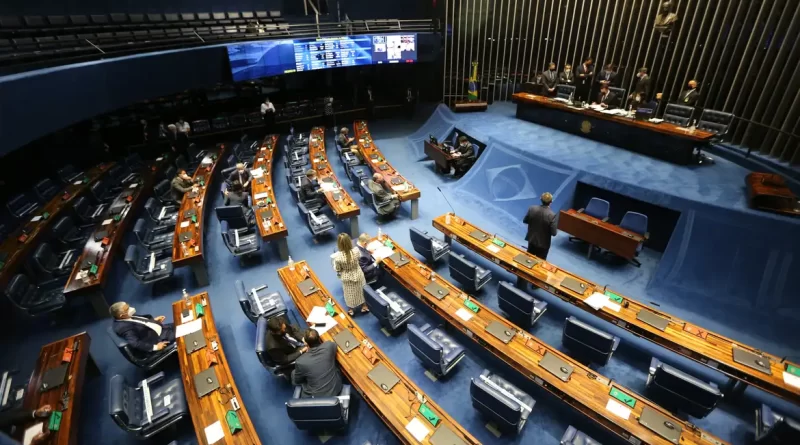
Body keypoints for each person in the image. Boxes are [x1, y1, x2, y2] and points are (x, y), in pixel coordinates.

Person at [291, 329, 343, 398]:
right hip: (336, 389)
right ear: (319, 338)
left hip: (318, 396)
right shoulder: (329, 346)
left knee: (294, 374)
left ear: (306, 343)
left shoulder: (300, 361)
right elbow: (333, 344)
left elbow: (298, 381)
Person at [110, 302, 175, 353]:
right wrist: (155, 347)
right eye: (127, 309)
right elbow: (135, 343)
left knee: (180, 321)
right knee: (181, 332)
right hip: (161, 337)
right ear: (121, 315)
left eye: (128, 307)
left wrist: (153, 321)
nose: (131, 309)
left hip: (162, 328)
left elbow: (140, 322)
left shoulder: (126, 316)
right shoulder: (124, 328)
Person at [333, 233, 368, 315]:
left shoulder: (338, 257)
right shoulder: (356, 250)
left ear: (339, 244)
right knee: (361, 290)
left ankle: (351, 309)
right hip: (358, 274)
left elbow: (338, 269)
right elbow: (359, 258)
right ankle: (364, 306)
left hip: (347, 278)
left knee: (349, 293)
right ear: (349, 241)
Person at [523, 192, 558, 260]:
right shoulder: (552, 215)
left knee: (527, 260)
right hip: (543, 245)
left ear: (541, 199)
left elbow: (525, 220)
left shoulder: (532, 209)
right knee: (540, 263)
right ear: (551, 202)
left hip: (532, 239)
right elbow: (554, 233)